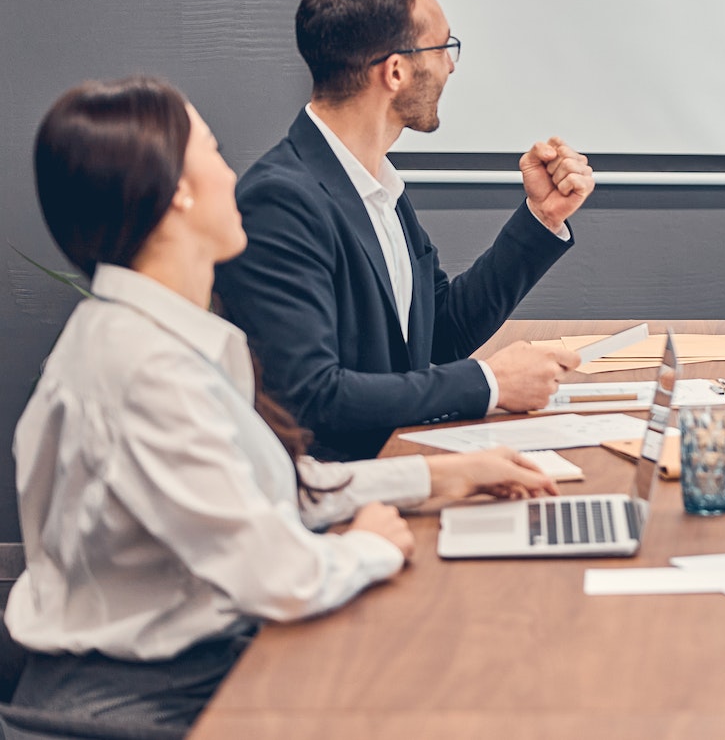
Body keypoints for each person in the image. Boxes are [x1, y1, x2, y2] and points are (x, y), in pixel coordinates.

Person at [7, 77, 556, 737]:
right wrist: (366, 548)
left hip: (172, 669)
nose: (232, 171)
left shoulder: (143, 336)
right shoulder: (145, 369)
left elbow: (270, 489)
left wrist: (438, 477)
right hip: (148, 703)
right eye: (211, 150)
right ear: (176, 191)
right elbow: (276, 572)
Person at [213, 0, 594, 459]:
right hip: (348, 502)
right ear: (395, 70)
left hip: (409, 463)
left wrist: (542, 217)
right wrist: (489, 383)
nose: (451, 65)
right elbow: (312, 396)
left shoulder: (376, 183)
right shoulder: (279, 200)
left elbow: (441, 334)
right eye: (444, 48)